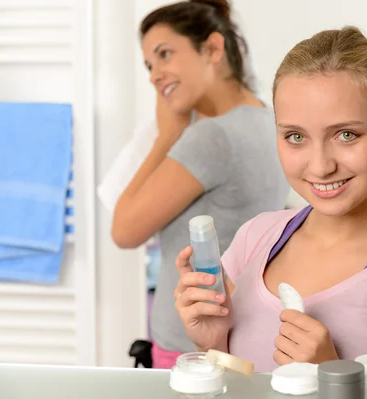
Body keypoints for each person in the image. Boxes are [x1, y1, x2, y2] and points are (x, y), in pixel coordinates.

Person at [173, 26, 367, 374]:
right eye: (296, 136)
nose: (320, 166)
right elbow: (236, 382)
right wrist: (211, 343)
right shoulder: (255, 238)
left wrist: (333, 376)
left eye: (346, 135)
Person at [111, 0, 289, 369]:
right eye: (149, 64)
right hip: (242, 338)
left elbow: (124, 231)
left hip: (189, 346)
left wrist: (168, 134)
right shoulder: (266, 118)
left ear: (212, 48)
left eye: (164, 54)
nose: (154, 75)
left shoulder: (210, 138)